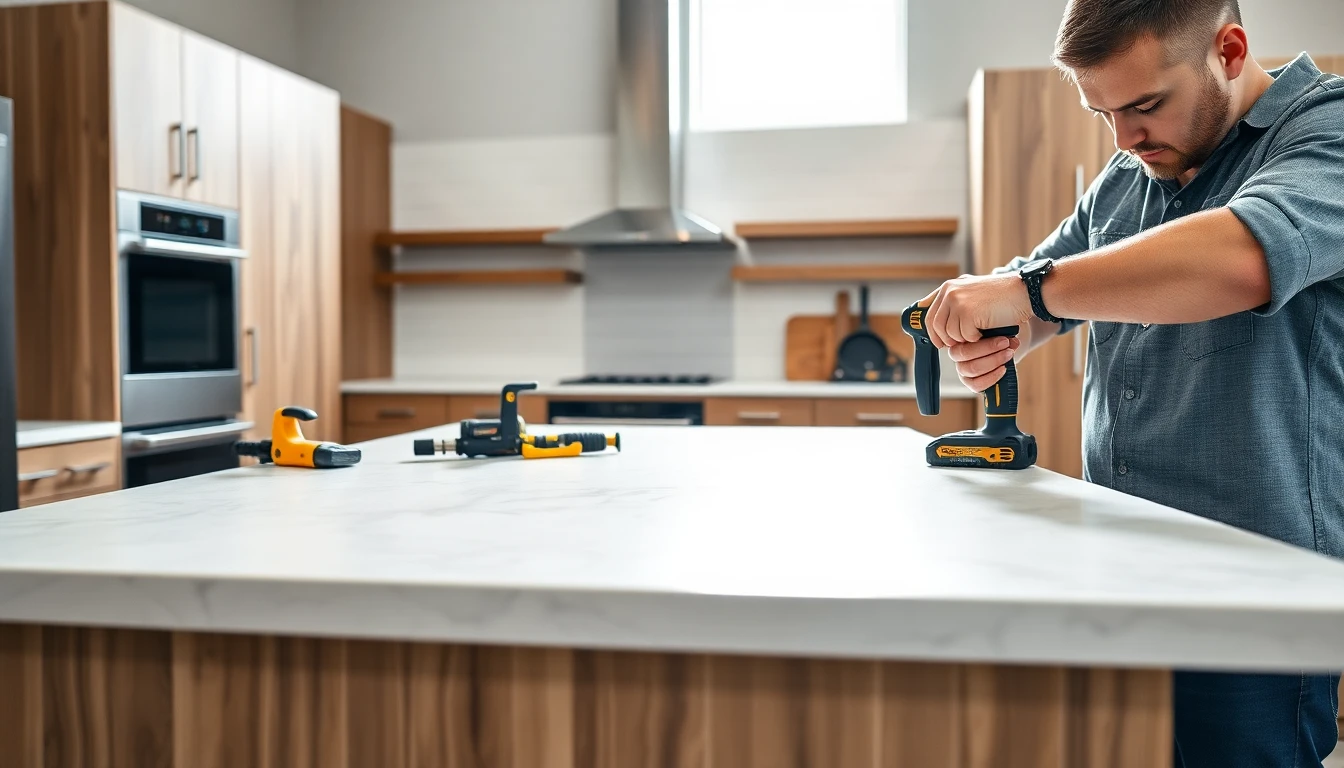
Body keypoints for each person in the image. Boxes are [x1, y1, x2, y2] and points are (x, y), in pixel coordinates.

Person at [916, 0, 1344, 765]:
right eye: (1102, 112)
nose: (1125, 138)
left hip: (1256, 592)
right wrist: (991, 318)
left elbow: (1243, 257)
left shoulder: (1324, 133)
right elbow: (1040, 287)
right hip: (1121, 573)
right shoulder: (1125, 176)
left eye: (1146, 105)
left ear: (1230, 49)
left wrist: (1032, 294)